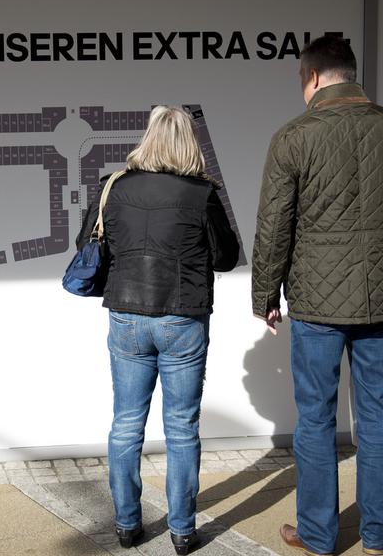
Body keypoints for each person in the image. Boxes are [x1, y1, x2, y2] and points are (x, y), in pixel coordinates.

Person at [251, 36, 383, 556]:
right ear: (351, 75)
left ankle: (318, 534)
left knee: (315, 419)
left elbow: (273, 226)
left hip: (316, 304)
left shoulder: (292, 137)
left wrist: (266, 293)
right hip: (381, 300)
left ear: (310, 78)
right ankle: (377, 532)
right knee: (378, 415)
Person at [76, 105, 239, 554]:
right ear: (189, 142)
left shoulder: (114, 186)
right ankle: (183, 531)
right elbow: (226, 257)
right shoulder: (201, 193)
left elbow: (86, 244)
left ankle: (128, 526)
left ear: (148, 137)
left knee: (126, 423)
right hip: (183, 317)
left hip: (126, 314)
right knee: (182, 427)